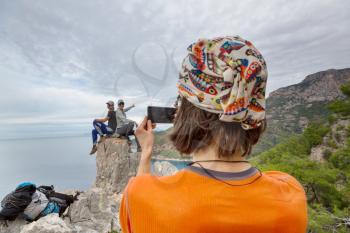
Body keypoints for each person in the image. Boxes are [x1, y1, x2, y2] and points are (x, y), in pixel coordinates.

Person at [119, 36, 307, 233]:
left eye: (181, 101)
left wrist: (146, 151)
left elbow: (139, 206)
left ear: (188, 113)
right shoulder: (291, 194)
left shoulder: (143, 197)